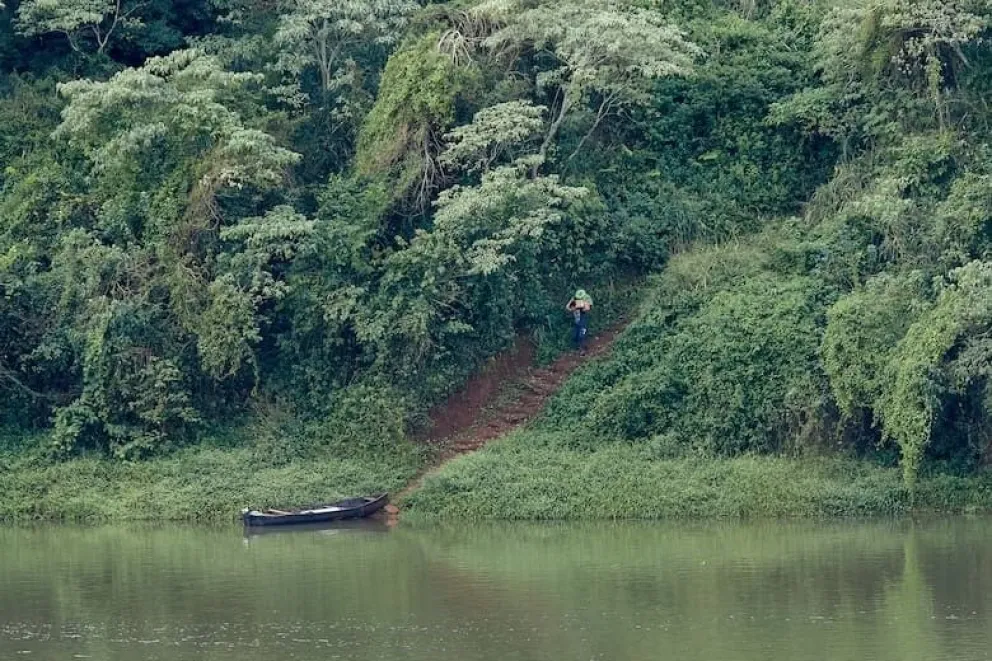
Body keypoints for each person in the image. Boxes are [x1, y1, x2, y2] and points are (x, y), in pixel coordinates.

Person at [565, 289, 593, 354]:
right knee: (575, 335)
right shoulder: (574, 300)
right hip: (577, 321)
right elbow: (567, 307)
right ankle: (580, 347)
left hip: (583, 320)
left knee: (582, 335)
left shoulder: (586, 299)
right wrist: (573, 306)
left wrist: (582, 306)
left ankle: (583, 349)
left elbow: (588, 308)